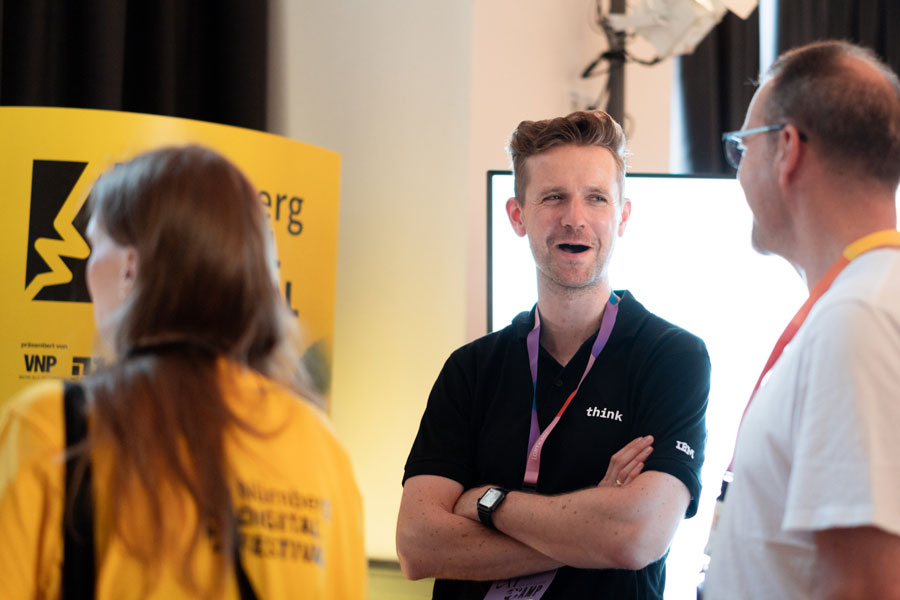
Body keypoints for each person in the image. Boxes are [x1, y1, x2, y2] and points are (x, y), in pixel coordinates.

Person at [0, 145, 366, 599]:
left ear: (131, 268)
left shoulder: (52, 426)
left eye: (94, 246)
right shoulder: (323, 450)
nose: (87, 268)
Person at [396, 110, 711, 599]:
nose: (575, 217)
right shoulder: (471, 369)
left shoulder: (672, 358)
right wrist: (594, 528)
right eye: (553, 197)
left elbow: (639, 535)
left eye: (596, 198)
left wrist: (488, 503)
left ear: (622, 216)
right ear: (517, 215)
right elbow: (418, 545)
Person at [703, 40, 900, 598]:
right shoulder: (864, 302)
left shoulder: (858, 317)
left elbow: (866, 586)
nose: (739, 174)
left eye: (743, 149)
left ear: (786, 149)